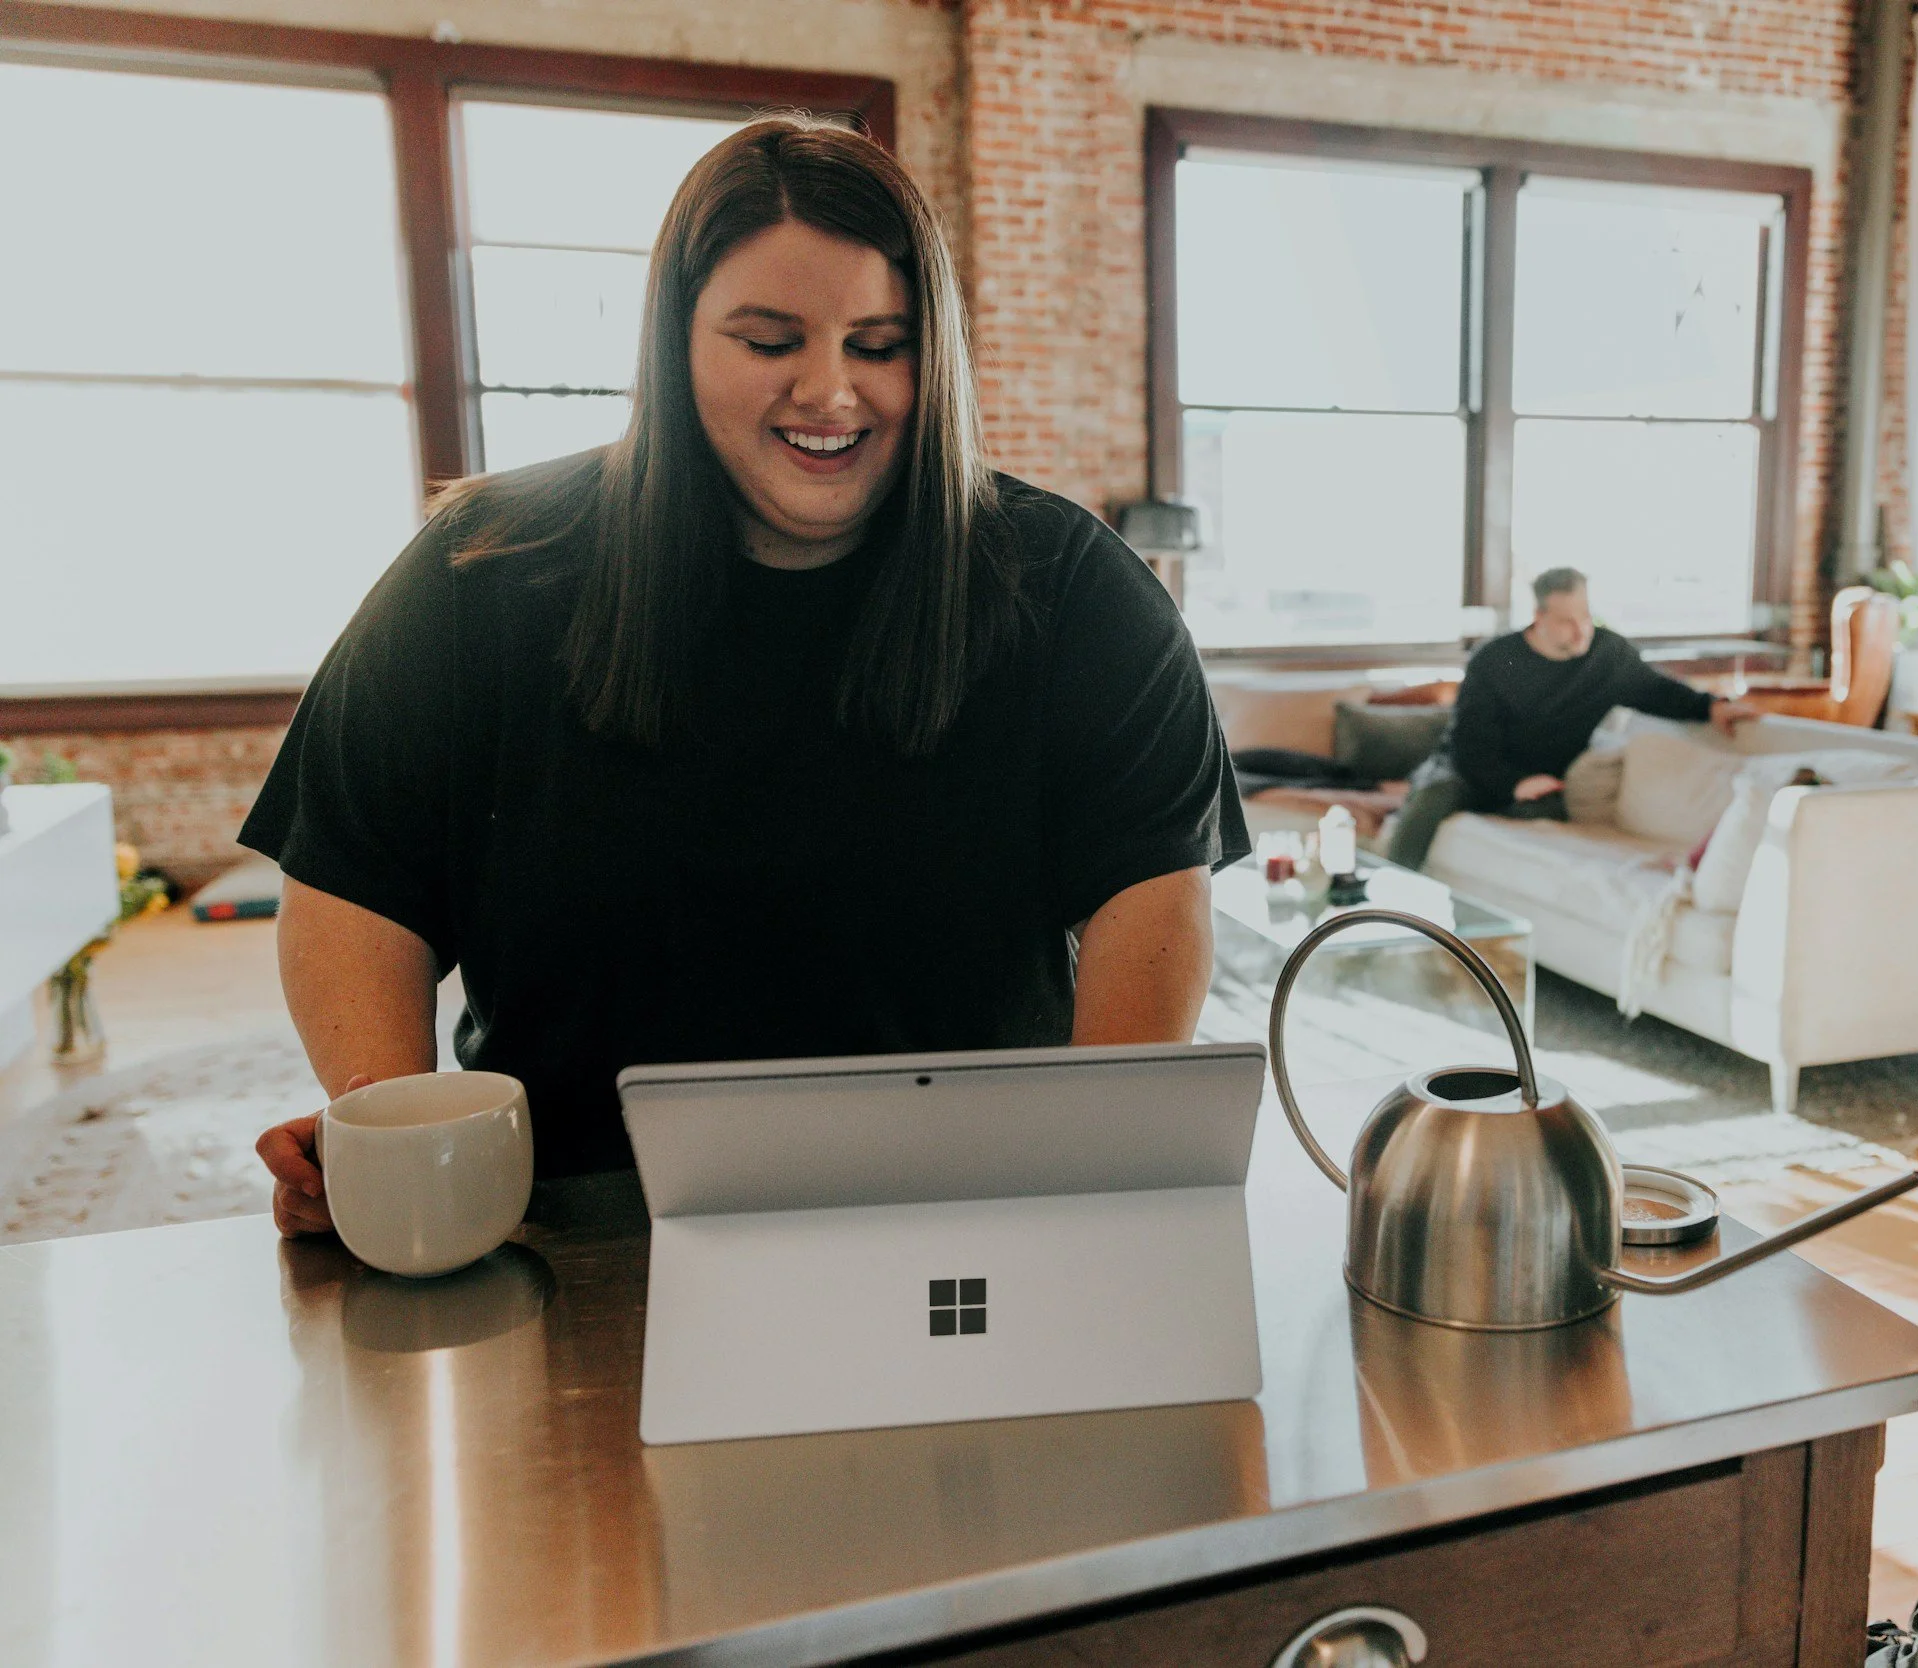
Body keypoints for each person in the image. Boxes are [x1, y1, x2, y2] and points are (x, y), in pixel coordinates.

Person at [249, 117, 1248, 1236]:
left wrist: (1090, 1173)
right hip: (570, 1225)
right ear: (676, 344)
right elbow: (353, 886)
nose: (831, 393)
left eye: (879, 344)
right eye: (769, 340)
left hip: (968, 1222)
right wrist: (388, 1138)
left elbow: (1152, 898)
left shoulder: (1069, 588)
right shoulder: (484, 568)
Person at [1384, 567, 1756, 870]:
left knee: (1546, 811)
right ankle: (1389, 909)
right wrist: (1513, 784)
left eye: (1585, 616)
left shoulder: (1607, 655)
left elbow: (1657, 690)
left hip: (1542, 784)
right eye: (1566, 621)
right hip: (1469, 769)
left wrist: (1712, 706)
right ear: (1538, 617)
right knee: (1432, 796)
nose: (1581, 631)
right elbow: (1469, 744)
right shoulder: (1495, 659)